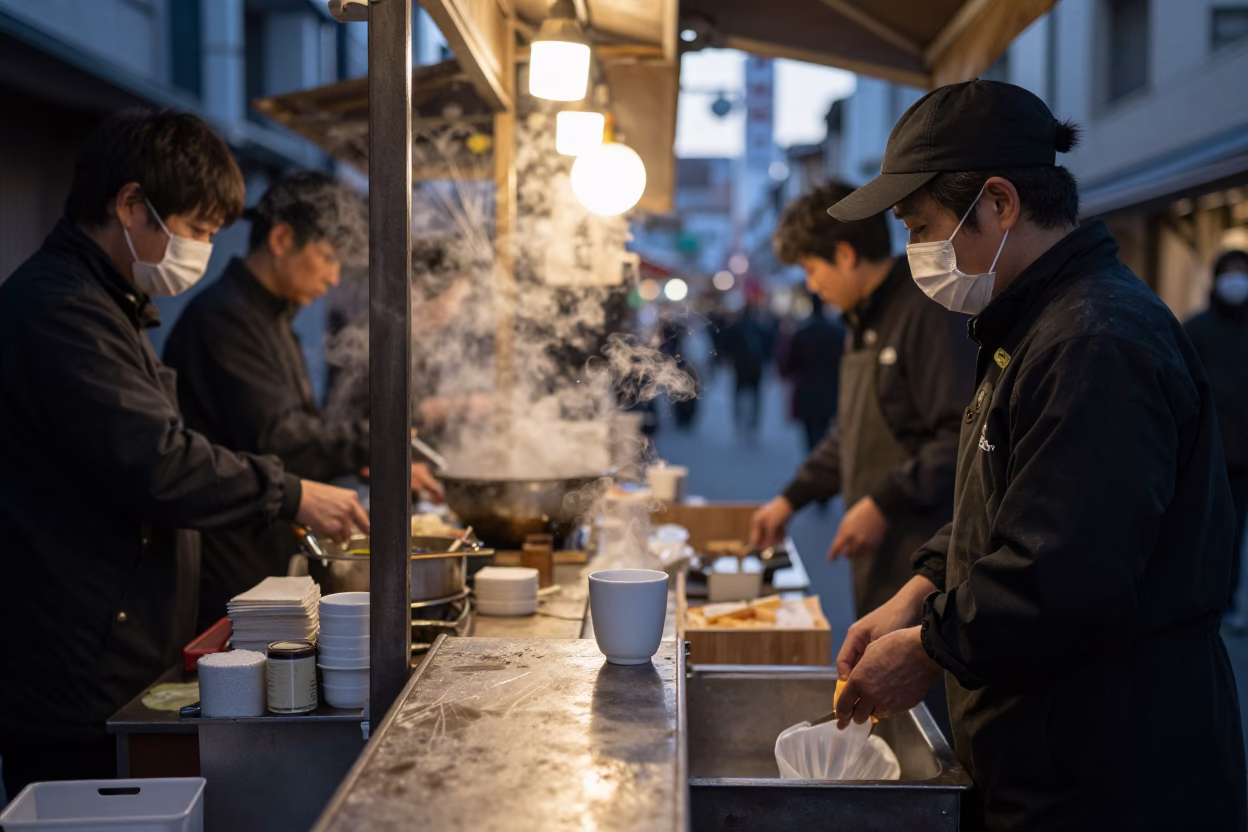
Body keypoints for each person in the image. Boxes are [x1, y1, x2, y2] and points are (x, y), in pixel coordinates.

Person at [827, 81, 1246, 831]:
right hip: (1047, 752)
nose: (919, 254)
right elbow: (1004, 505)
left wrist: (929, 646)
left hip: (1111, 775)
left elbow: (1067, 573)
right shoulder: (1030, 323)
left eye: (923, 228)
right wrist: (920, 589)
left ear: (999, 202)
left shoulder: (1095, 341)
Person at [0, 110, 368, 797]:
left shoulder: (110, 305)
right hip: (74, 669)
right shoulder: (61, 311)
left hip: (117, 651)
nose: (203, 249)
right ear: (131, 204)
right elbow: (159, 462)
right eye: (198, 229)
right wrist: (292, 492)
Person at [164, 172, 441, 631]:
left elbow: (291, 428)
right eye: (328, 258)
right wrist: (374, 443)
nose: (333, 278)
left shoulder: (271, 317)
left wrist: (362, 457)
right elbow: (280, 438)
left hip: (264, 546)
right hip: (231, 565)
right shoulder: (225, 320)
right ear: (281, 238)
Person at [751, 182, 976, 618]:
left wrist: (882, 503)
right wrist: (792, 498)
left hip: (927, 553)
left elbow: (961, 437)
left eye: (812, 269)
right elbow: (851, 433)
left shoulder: (925, 311)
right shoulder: (860, 318)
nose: (812, 285)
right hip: (879, 549)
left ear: (845, 255)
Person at [1185, 249, 1248, 630]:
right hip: (1206, 451)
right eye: (1231, 272)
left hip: (1243, 456)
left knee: (1234, 528)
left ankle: (1226, 601)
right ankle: (1199, 596)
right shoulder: (1196, 329)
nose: (1237, 279)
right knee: (1202, 526)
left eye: (1243, 271)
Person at [779, 292, 845, 453]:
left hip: (807, 393)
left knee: (810, 437)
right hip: (830, 392)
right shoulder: (837, 333)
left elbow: (789, 365)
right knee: (825, 434)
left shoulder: (802, 333)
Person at [722, 292, 775, 441]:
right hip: (756, 366)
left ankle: (739, 420)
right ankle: (753, 424)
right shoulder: (760, 326)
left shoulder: (736, 326)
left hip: (740, 366)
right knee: (756, 396)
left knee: (738, 394)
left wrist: (728, 360)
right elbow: (768, 348)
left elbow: (727, 345)